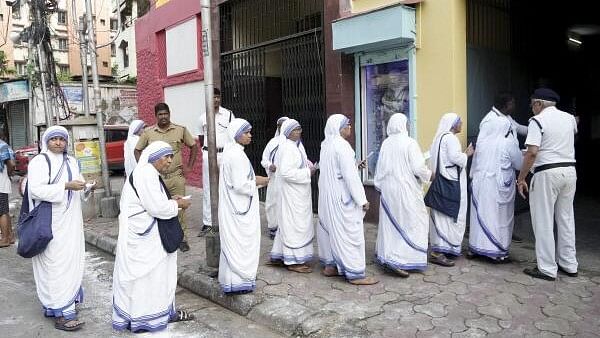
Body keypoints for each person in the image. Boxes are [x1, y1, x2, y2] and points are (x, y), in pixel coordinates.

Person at [113, 141, 193, 332]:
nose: (169, 161)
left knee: (157, 277)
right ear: (154, 158)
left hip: (146, 235)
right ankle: (145, 319)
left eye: (171, 157)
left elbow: (151, 201)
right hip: (144, 239)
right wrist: (178, 205)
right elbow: (157, 208)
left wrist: (170, 201)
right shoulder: (147, 174)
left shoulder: (147, 173)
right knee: (148, 279)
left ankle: (161, 313)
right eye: (166, 157)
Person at [27, 126, 87, 331]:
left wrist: (86, 187)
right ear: (46, 141)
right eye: (54, 139)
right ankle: (61, 313)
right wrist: (65, 186)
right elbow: (35, 190)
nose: (59, 142)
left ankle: (65, 304)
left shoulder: (71, 161)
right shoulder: (39, 162)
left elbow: (78, 184)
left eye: (62, 139)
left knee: (71, 261)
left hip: (71, 222)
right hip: (50, 223)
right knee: (55, 265)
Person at [517, 88, 578, 281]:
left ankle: (547, 268)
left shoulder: (538, 120)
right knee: (566, 218)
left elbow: (532, 152)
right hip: (569, 171)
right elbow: (569, 137)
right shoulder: (569, 118)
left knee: (543, 220)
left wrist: (521, 178)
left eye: (532, 105)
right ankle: (569, 264)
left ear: (539, 104)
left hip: (547, 173)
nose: (532, 109)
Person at [317, 114, 377, 285]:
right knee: (349, 233)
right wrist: (362, 200)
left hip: (328, 197)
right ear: (339, 128)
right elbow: (349, 177)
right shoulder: (342, 146)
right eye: (347, 124)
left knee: (330, 230)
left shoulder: (326, 145)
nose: (350, 127)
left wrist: (355, 164)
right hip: (341, 199)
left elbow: (335, 171)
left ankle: (332, 265)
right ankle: (355, 273)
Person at [135, 102, 198, 252]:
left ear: (169, 114)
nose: (163, 117)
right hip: (157, 179)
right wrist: (145, 169)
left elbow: (193, 146)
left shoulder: (180, 130)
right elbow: (137, 150)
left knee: (180, 208)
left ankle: (182, 238)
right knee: (159, 207)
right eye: (160, 114)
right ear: (156, 116)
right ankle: (163, 236)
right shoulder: (148, 133)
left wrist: (189, 167)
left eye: (166, 114)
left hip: (176, 176)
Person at [374, 113, 431, 277]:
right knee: (413, 221)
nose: (409, 126)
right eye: (407, 124)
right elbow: (418, 168)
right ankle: (402, 259)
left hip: (388, 190)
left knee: (392, 224)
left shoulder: (386, 143)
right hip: (405, 190)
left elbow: (380, 168)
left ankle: (389, 256)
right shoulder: (410, 143)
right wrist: (429, 175)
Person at [218, 119, 269, 294]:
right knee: (241, 244)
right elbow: (240, 185)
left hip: (235, 207)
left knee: (235, 243)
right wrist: (259, 181)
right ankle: (239, 281)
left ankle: (234, 282)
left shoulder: (232, 152)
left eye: (249, 132)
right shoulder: (236, 155)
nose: (250, 135)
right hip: (238, 208)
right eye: (246, 132)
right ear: (235, 134)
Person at [468, 117, 523, 262]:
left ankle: (476, 248)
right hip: (498, 187)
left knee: (480, 216)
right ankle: (495, 251)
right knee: (498, 217)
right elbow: (519, 164)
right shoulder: (508, 143)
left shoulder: (483, 142)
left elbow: (475, 164)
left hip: (480, 184)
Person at [269, 119, 316, 273]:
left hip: (296, 193)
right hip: (292, 194)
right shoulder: (288, 148)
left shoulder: (293, 147)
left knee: (288, 225)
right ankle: (294, 260)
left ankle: (280, 255)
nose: (299, 131)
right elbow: (287, 173)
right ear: (288, 132)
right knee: (294, 226)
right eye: (295, 129)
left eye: (300, 128)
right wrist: (308, 172)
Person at [428, 113, 474, 267]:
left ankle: (443, 248)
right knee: (449, 215)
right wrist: (467, 154)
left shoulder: (439, 138)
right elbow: (455, 158)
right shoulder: (451, 138)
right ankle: (438, 252)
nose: (462, 124)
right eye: (459, 121)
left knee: (443, 217)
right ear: (453, 124)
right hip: (450, 183)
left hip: (441, 182)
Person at [198, 88, 235, 236]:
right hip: (208, 154)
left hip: (224, 154)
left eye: (218, 97)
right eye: (213, 97)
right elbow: (201, 138)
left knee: (227, 185)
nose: (216, 100)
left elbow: (233, 134)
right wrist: (207, 151)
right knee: (208, 187)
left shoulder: (229, 115)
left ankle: (227, 219)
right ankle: (208, 222)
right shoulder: (202, 117)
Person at [261, 116, 288, 239]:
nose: (281, 127)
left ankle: (286, 228)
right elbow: (264, 159)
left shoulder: (293, 142)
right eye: (279, 125)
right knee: (272, 203)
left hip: (288, 179)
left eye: (284, 124)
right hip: (275, 178)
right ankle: (274, 228)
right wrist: (269, 165)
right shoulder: (273, 142)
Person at [0, 130, 15, 247]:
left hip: (1, 182)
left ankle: (4, 239)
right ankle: (10, 236)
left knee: (2, 212)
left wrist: (9, 173)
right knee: (4, 210)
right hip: (3, 182)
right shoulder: (5, 146)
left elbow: (12, 164)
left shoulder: (1, 146)